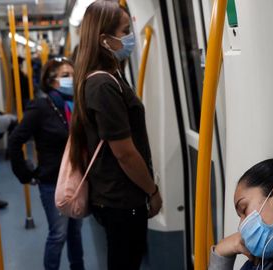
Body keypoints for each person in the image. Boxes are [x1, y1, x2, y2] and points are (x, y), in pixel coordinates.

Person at [69, 1, 162, 269]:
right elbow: (124, 153)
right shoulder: (102, 84)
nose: (129, 37)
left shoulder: (105, 76)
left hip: (114, 195)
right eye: (124, 31)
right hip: (120, 199)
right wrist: (152, 191)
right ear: (105, 40)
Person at [8, 57, 83, 270]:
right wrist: (26, 174)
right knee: (58, 234)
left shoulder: (77, 105)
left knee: (75, 232)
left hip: (78, 179)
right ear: (52, 81)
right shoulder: (41, 107)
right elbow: (15, 140)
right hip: (53, 181)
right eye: (65, 75)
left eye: (72, 74)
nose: (71, 79)